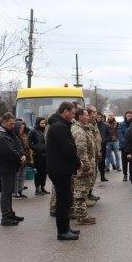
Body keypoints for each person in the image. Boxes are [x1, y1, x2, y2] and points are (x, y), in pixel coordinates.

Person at [46, 102, 81, 240]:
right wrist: (77, 163)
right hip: (59, 168)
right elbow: (67, 149)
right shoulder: (58, 126)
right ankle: (62, 231)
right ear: (65, 111)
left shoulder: (59, 125)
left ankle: (66, 228)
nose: (73, 116)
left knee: (66, 199)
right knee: (63, 200)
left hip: (61, 168)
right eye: (72, 113)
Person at [0, 113, 26, 226]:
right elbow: (9, 152)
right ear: (4, 122)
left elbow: (18, 144)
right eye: (11, 124)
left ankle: (10, 213)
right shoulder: (0, 135)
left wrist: (22, 154)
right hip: (5, 167)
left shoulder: (8, 133)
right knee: (6, 193)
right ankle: (5, 217)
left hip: (10, 166)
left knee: (9, 191)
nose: (13, 126)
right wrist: (19, 157)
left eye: (13, 124)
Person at [71, 108, 96, 225]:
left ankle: (82, 214)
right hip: (82, 167)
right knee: (80, 192)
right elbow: (81, 152)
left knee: (82, 191)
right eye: (86, 115)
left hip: (83, 165)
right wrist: (87, 167)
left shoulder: (84, 128)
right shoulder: (79, 131)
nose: (88, 117)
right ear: (80, 116)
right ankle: (81, 216)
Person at [29, 117, 49, 195]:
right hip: (38, 155)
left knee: (44, 172)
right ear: (38, 123)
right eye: (42, 123)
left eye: (44, 123)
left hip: (45, 154)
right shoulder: (33, 131)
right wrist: (37, 148)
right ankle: (37, 188)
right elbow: (29, 142)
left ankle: (43, 187)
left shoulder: (45, 131)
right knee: (38, 172)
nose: (43, 125)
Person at [13, 121, 31, 199]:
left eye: (23, 128)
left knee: (22, 176)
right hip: (18, 158)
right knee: (16, 176)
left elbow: (27, 146)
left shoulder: (25, 135)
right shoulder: (14, 136)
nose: (22, 129)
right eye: (20, 128)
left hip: (26, 157)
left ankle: (20, 191)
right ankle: (15, 192)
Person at [118, 110, 132, 181]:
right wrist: (125, 142)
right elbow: (120, 134)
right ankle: (125, 174)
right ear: (125, 116)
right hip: (123, 146)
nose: (129, 117)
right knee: (124, 162)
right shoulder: (121, 124)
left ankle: (131, 174)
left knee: (131, 161)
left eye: (130, 116)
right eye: (128, 116)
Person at [97, 113, 110, 181]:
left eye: (100, 117)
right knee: (96, 161)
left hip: (103, 146)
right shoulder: (93, 125)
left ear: (102, 118)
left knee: (102, 161)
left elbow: (109, 135)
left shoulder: (105, 126)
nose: (99, 118)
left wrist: (105, 140)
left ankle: (102, 176)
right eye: (97, 117)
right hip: (95, 146)